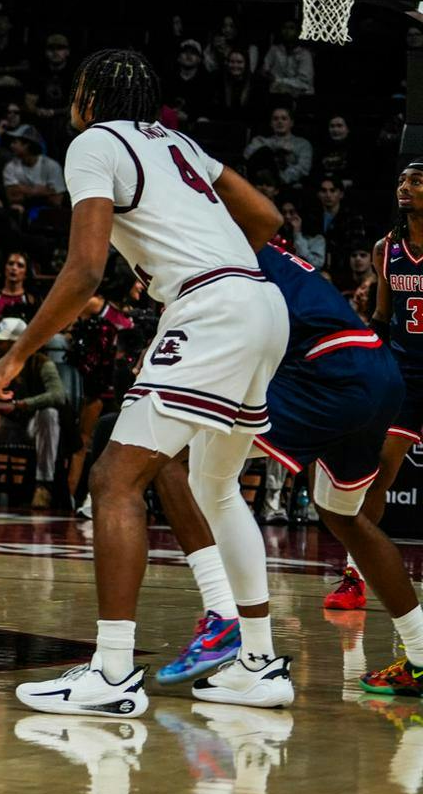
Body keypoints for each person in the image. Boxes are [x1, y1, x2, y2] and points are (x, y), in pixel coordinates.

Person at [0, 50, 290, 717]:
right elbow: (266, 218)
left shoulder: (94, 141)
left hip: (211, 307)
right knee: (212, 485)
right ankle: (258, 662)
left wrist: (14, 356)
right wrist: (180, 252)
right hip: (264, 304)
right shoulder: (177, 141)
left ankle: (113, 671)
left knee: (113, 480)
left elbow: (84, 269)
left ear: (89, 98)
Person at [152, 241, 411, 696]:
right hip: (375, 369)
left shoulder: (217, 252)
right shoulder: (264, 247)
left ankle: (245, 646)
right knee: (345, 518)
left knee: (179, 457)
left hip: (326, 370)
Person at [337, 160, 423, 610]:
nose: (405, 188)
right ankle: (354, 575)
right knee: (379, 476)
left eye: (417, 181)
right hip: (407, 375)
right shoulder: (386, 248)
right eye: (402, 181)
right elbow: (382, 318)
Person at [0, 317, 65, 506]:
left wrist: (21, 405)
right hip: (2, 425)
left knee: (50, 414)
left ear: (16, 344)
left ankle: (43, 487)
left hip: (32, 428)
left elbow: (58, 395)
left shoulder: (41, 363)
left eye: (0, 341)